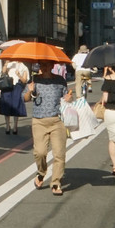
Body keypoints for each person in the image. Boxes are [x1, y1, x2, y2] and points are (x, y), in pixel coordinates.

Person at [24, 59, 72, 196]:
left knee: (59, 154)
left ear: (52, 66)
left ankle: (56, 182)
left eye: (47, 65)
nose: (44, 67)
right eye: (42, 65)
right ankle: (41, 173)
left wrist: (69, 98)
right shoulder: (34, 80)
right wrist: (30, 90)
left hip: (58, 121)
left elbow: (66, 97)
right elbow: (26, 98)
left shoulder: (60, 80)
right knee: (40, 152)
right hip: (39, 121)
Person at [0, 60, 29, 135]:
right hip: (7, 86)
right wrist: (6, 64)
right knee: (6, 105)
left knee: (16, 105)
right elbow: (3, 73)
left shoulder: (24, 66)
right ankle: (7, 126)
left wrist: (19, 75)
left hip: (17, 87)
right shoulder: (10, 64)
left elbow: (25, 80)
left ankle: (15, 126)